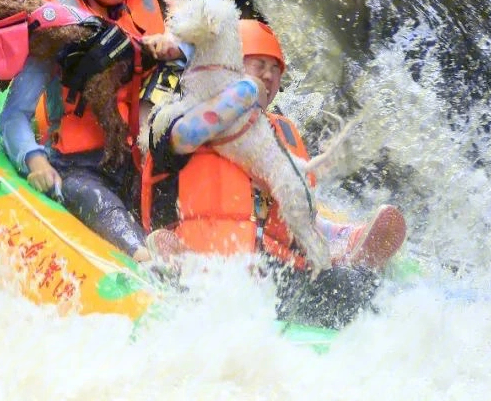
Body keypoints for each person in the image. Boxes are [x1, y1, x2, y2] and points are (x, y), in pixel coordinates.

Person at [142, 19, 407, 327]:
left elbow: (298, 215)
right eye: (258, 66)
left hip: (275, 270)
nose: (268, 76)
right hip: (213, 263)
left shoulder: (282, 132)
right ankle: (173, 259)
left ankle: (346, 254)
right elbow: (183, 136)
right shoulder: (180, 120)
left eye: (274, 69)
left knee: (357, 292)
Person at [0, 0, 181, 264]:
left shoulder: (149, 25)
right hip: (75, 166)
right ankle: (144, 259)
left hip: (134, 158)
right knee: (89, 197)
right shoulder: (55, 30)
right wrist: (34, 160)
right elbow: (13, 115)